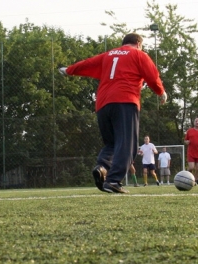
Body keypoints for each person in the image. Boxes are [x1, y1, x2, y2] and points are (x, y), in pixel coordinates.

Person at [59, 33, 167, 194]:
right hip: (125, 101)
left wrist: (69, 70)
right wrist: (161, 92)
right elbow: (152, 75)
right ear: (138, 43)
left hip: (103, 104)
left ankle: (102, 167)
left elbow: (87, 64)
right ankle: (113, 180)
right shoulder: (138, 54)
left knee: (112, 143)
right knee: (128, 145)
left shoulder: (108, 55)